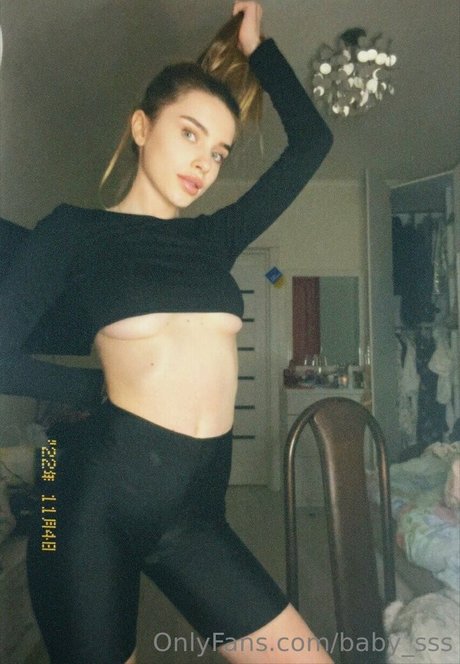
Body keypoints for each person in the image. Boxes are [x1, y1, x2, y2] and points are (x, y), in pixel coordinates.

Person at [0, 2, 334, 662]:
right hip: (89, 506)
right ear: (141, 126)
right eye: (189, 134)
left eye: (218, 151)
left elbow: (312, 144)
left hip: (195, 516)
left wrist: (258, 48)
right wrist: (91, 390)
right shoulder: (75, 232)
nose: (204, 163)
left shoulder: (214, 239)